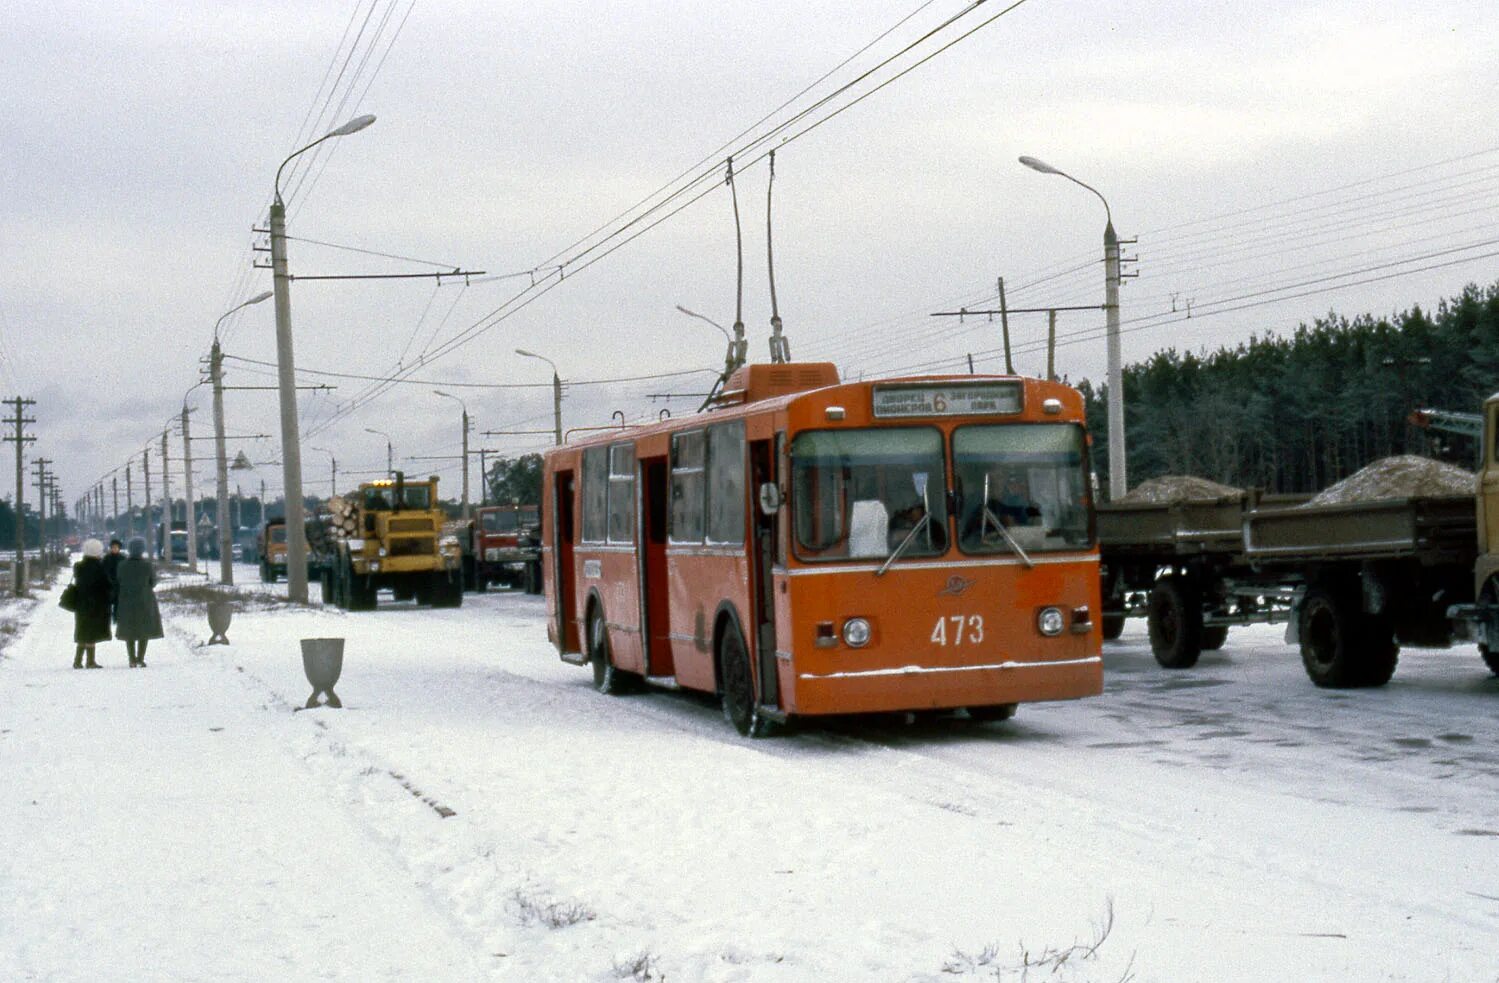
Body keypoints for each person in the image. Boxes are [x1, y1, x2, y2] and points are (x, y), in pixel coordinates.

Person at [115, 537, 164, 668]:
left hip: (126, 600)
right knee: (144, 628)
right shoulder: (147, 565)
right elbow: (153, 582)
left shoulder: (122, 565)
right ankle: (140, 658)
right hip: (145, 600)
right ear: (142, 550)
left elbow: (118, 580)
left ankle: (131, 659)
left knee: (129, 629)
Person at [71, 538, 113, 669]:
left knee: (82, 629)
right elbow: (106, 585)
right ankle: (90, 661)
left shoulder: (78, 567)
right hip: (97, 603)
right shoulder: (100, 568)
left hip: (81, 603)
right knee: (92, 631)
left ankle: (77, 661)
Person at [101, 538, 124, 623]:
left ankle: (116, 618)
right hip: (108, 583)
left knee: (118, 602)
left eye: (116, 547)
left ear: (119, 548)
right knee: (107, 602)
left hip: (119, 584)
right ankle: (107, 618)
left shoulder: (122, 558)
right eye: (113, 547)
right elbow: (103, 570)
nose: (114, 549)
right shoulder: (106, 558)